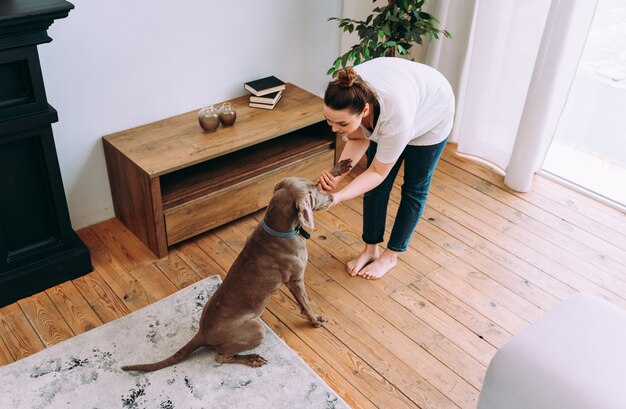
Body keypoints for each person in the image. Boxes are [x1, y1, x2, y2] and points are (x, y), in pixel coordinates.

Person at [318, 57, 455, 280]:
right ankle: (370, 249)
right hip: (407, 94)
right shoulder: (346, 94)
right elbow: (356, 139)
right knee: (375, 190)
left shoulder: (395, 118)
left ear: (364, 110)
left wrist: (338, 197)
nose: (335, 129)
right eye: (329, 121)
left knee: (414, 188)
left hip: (432, 110)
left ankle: (391, 256)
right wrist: (337, 176)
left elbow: (377, 172)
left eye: (341, 124)